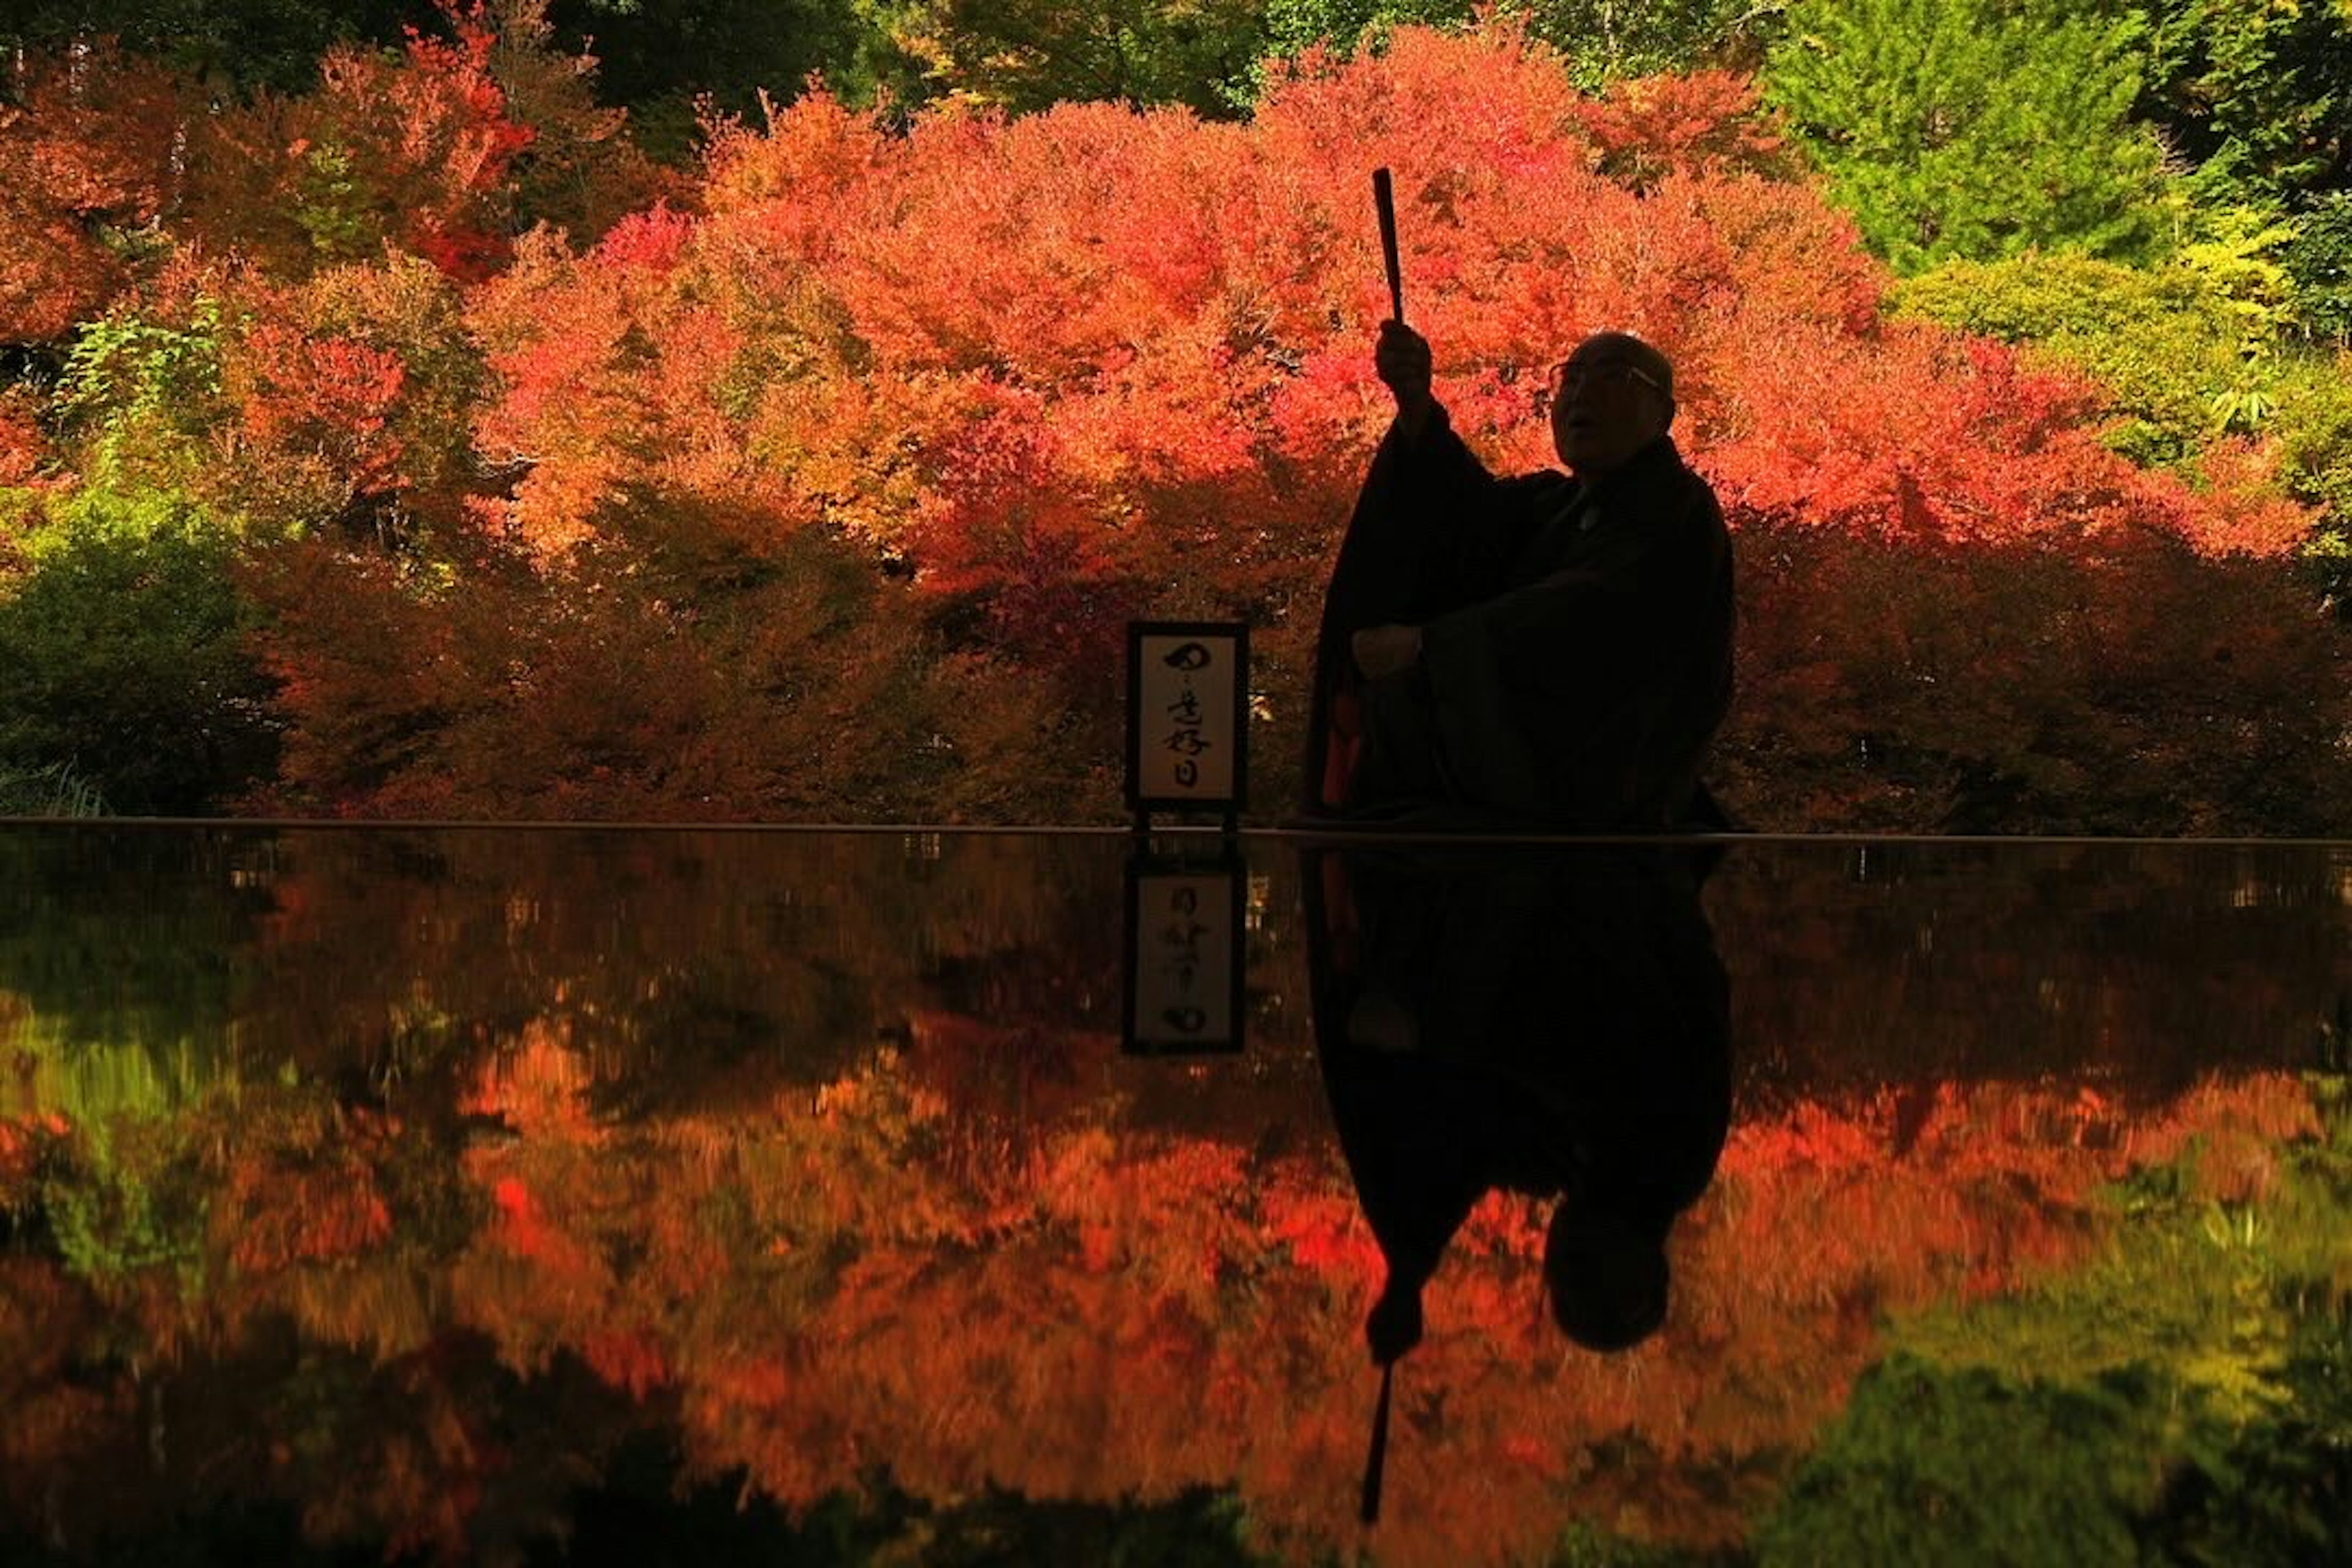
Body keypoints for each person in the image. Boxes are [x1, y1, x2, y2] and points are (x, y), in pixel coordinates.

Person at [1305, 322, 1735, 827]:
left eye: (1613, 376)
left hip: (1607, 824)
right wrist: (1418, 408)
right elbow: (1462, 521)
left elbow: (1589, 615)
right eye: (1570, 379)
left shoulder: (1677, 509)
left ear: (1663, 414)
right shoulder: (1551, 504)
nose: (1581, 393)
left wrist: (1428, 646)